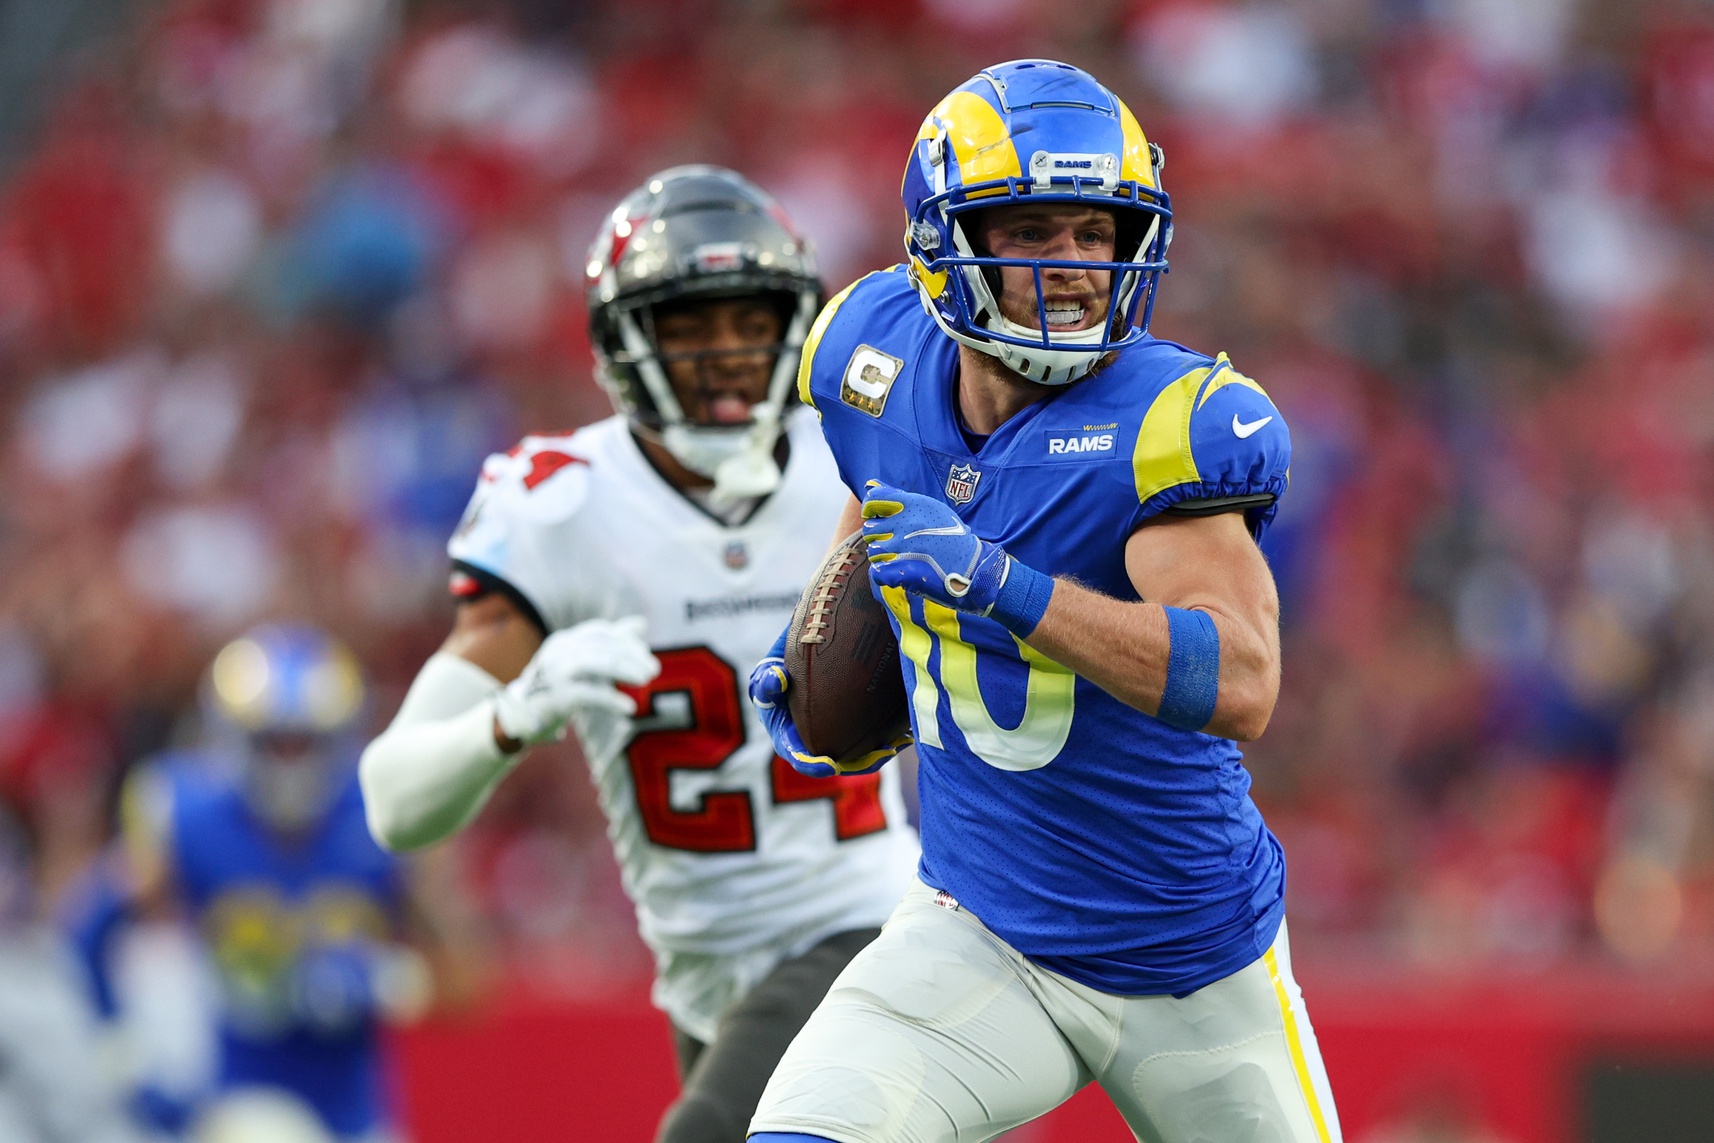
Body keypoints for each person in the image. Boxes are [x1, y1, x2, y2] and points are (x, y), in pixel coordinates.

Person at [744, 60, 1344, 1143]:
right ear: (945, 241)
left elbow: (1242, 677)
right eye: (1034, 232)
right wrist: (816, 638)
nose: (1072, 268)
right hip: (979, 936)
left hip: (1193, 970)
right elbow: (878, 497)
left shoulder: (1172, 419)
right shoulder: (866, 351)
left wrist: (1001, 588)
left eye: (1094, 234)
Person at [357, 166, 920, 1143]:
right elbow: (394, 804)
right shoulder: (565, 507)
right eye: (691, 326)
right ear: (625, 342)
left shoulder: (853, 457)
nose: (730, 355)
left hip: (871, 929)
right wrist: (511, 714)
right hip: (707, 982)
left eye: (750, 322)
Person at [68, 624, 450, 1143]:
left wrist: (387, 978)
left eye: (304, 744)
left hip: (357, 1107)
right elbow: (88, 929)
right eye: (273, 743)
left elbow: (471, 981)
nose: (289, 764)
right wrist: (120, 1050)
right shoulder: (190, 815)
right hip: (238, 1090)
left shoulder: (381, 819)